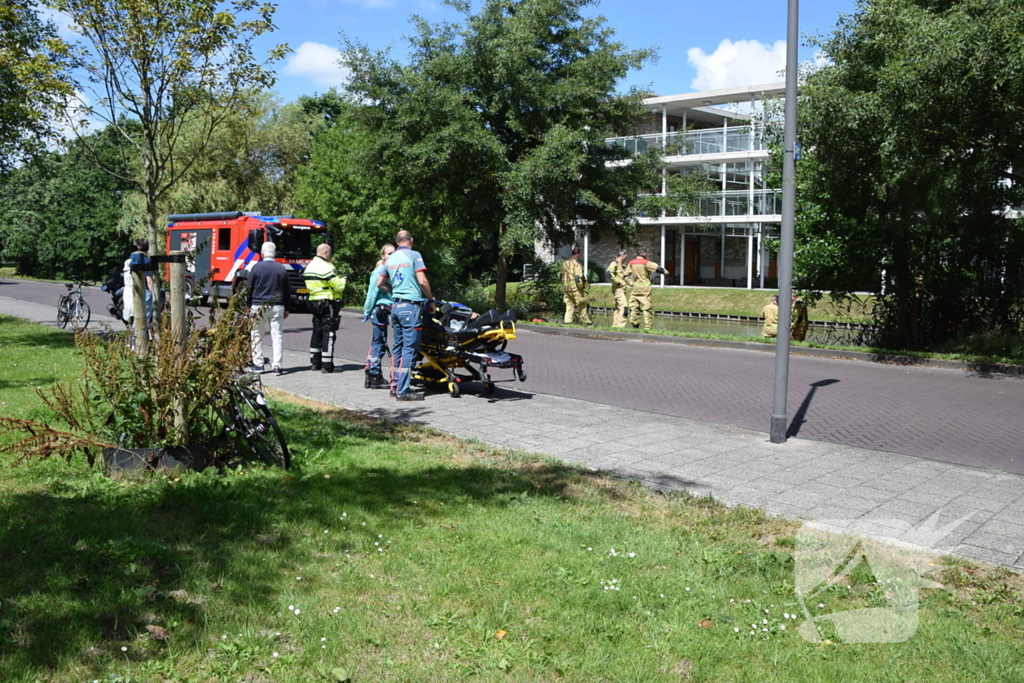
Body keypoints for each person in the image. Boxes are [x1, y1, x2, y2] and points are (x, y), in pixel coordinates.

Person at [377, 229, 434, 401]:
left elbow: (380, 283)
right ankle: (403, 390)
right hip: (411, 307)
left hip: (396, 306)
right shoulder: (414, 255)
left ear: (397, 242)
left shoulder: (390, 258)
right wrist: (430, 299)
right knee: (409, 349)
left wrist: (394, 291)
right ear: (411, 240)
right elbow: (422, 280)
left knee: (398, 348)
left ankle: (394, 386)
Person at [302, 243, 347, 373]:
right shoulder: (327, 267)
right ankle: (327, 365)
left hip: (313, 301)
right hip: (327, 302)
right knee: (329, 332)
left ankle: (315, 363)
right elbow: (338, 286)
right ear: (326, 253)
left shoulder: (309, 266)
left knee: (317, 331)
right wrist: (343, 279)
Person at [247, 242, 290, 375]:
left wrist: (248, 306)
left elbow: (249, 288)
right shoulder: (281, 268)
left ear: (262, 253)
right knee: (277, 336)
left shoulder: (256, 268)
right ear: (274, 253)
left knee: (256, 335)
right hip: (277, 305)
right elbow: (287, 291)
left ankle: (259, 365)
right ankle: (277, 366)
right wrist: (286, 308)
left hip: (258, 305)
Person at [362, 243, 395, 389]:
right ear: (383, 256)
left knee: (377, 343)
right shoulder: (381, 270)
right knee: (379, 344)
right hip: (379, 311)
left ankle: (371, 375)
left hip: (384, 310)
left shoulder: (389, 268)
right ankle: (374, 376)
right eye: (389, 253)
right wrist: (367, 312)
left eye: (394, 253)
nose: (392, 256)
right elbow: (372, 294)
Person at [627, 247, 667, 331]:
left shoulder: (631, 262)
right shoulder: (646, 262)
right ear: (644, 254)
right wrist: (666, 273)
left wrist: (631, 283)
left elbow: (625, 276)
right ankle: (648, 328)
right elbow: (659, 269)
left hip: (635, 288)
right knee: (647, 309)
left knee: (634, 308)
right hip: (645, 289)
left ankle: (635, 326)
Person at [122, 238, 153, 328]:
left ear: (138, 247)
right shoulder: (146, 261)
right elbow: (149, 279)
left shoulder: (130, 259)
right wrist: (152, 293)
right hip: (143, 290)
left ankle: (132, 337)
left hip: (129, 289)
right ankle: (140, 335)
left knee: (131, 315)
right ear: (148, 248)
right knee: (144, 316)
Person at [560, 246, 592, 325]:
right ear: (577, 254)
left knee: (569, 305)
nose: (581, 255)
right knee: (581, 305)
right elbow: (577, 277)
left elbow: (561, 275)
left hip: (567, 288)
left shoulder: (565, 263)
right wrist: (581, 286)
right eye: (580, 254)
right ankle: (586, 322)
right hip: (575, 288)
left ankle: (567, 321)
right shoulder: (576, 264)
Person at [607, 249, 630, 328]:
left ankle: (615, 326)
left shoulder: (622, 265)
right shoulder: (614, 263)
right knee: (624, 307)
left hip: (622, 290)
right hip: (618, 290)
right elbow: (608, 273)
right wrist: (618, 282)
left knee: (618, 309)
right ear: (623, 255)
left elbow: (625, 278)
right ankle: (620, 326)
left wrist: (634, 284)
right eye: (626, 256)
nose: (626, 258)